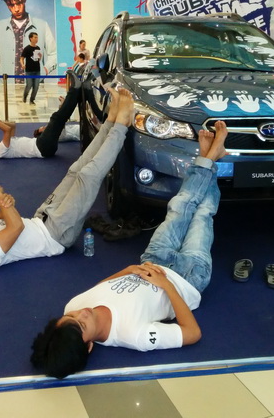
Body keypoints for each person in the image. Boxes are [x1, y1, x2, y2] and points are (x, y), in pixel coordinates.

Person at [30, 122, 229, 379]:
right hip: (188, 278)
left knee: (180, 205)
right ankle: (209, 158)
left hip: (153, 259)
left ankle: (209, 158)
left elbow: (100, 288)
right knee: (202, 213)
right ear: (89, 346)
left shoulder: (73, 306)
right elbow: (192, 333)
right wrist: (167, 285)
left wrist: (127, 270)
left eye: (72, 318)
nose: (82, 313)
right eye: (82, 324)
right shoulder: (134, 335)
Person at [0, 87, 135, 272]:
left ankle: (110, 121)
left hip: (41, 218)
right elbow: (15, 226)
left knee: (76, 170)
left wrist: (5, 204)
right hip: (56, 235)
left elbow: (1, 217)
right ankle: (121, 124)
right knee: (88, 177)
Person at [0, 87, 80, 159]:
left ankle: (74, 95)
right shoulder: (0, 152)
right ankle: (74, 91)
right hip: (42, 147)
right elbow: (7, 130)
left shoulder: (4, 144)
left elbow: (12, 126)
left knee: (58, 122)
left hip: (43, 145)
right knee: (56, 119)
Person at [0, 0, 57, 83]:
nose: (16, 9)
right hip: (8, 85)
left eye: (19, 3)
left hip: (35, 84)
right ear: (6, 4)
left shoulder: (42, 25)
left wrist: (45, 70)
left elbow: (54, 53)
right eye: (11, 5)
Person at [20, 32, 42, 104]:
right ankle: (25, 96)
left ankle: (32, 99)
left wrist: (40, 57)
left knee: (36, 86)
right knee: (29, 85)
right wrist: (22, 64)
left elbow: (38, 59)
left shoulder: (38, 48)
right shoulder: (27, 48)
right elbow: (21, 58)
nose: (36, 39)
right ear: (31, 38)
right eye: (35, 37)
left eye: (37, 37)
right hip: (29, 70)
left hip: (37, 70)